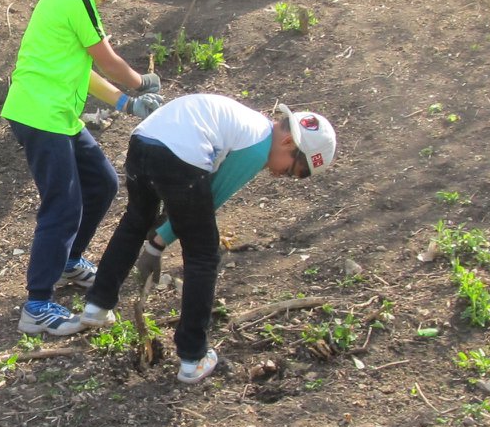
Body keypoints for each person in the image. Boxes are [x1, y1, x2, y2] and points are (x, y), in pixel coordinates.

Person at [67, 96, 335, 385]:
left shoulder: (247, 124)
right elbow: (210, 198)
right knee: (203, 254)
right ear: (288, 144)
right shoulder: (258, 144)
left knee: (136, 219)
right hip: (178, 155)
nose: (280, 175)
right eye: (292, 171)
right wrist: (159, 242)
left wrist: (157, 239)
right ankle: (193, 357)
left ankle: (97, 305)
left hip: (143, 141)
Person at [0, 0, 163, 335]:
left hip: (57, 117)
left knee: (102, 183)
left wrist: (126, 103)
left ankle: (70, 262)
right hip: (41, 115)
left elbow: (85, 72)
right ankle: (36, 305)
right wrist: (139, 82)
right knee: (63, 205)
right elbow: (107, 61)